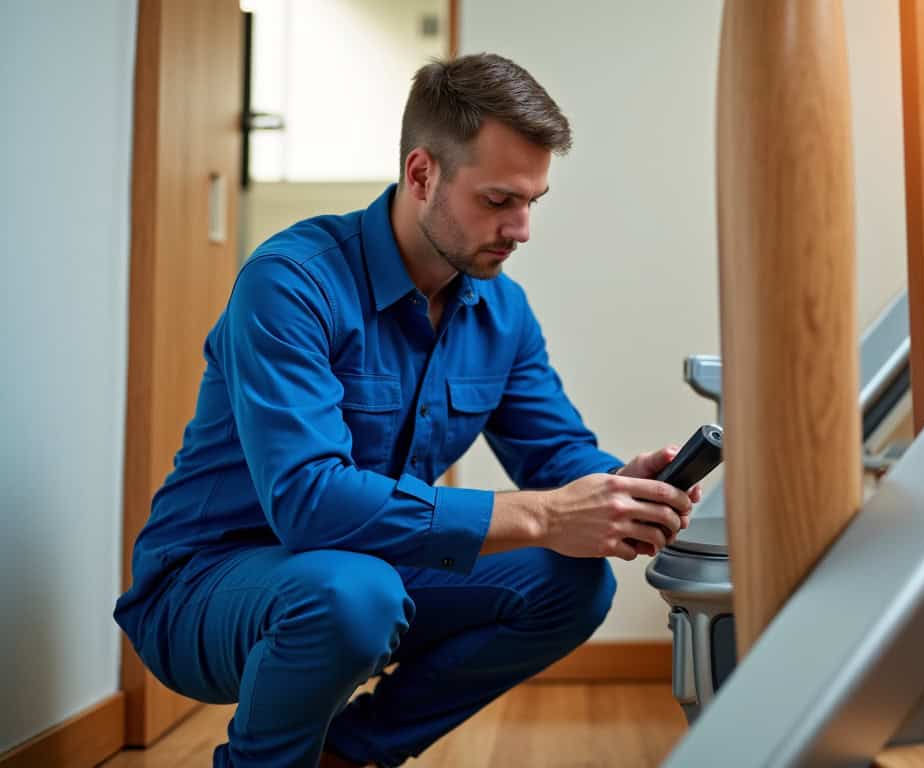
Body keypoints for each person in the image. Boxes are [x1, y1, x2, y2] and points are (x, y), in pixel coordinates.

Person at [114, 53, 700, 768]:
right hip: (207, 586)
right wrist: (544, 515)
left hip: (363, 573)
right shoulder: (291, 283)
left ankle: (348, 757)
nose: (521, 229)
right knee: (355, 592)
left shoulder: (501, 309)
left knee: (570, 583)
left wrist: (620, 487)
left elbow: (555, 454)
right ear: (422, 174)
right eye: (497, 201)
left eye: (532, 202)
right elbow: (309, 502)